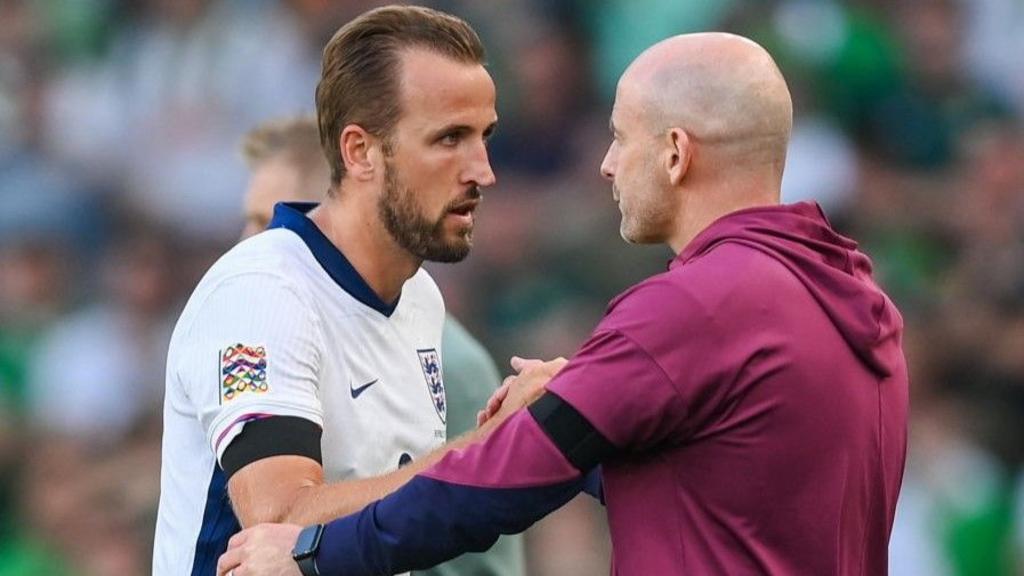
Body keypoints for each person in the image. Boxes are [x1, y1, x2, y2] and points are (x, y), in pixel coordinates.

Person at [218, 32, 910, 576]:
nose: (606, 164)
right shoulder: (845, 298)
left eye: (619, 136)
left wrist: (314, 555)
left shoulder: (695, 309)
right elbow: (728, 499)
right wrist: (589, 418)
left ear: (675, 153)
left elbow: (498, 483)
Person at [152, 6, 529, 575]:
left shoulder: (420, 298)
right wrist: (491, 449)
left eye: (484, 136)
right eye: (450, 138)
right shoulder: (263, 293)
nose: (483, 170)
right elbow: (282, 518)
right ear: (359, 152)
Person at [235, 115, 524, 576]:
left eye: (265, 220)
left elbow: (464, 554)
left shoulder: (449, 361)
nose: (247, 243)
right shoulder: (262, 330)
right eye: (246, 221)